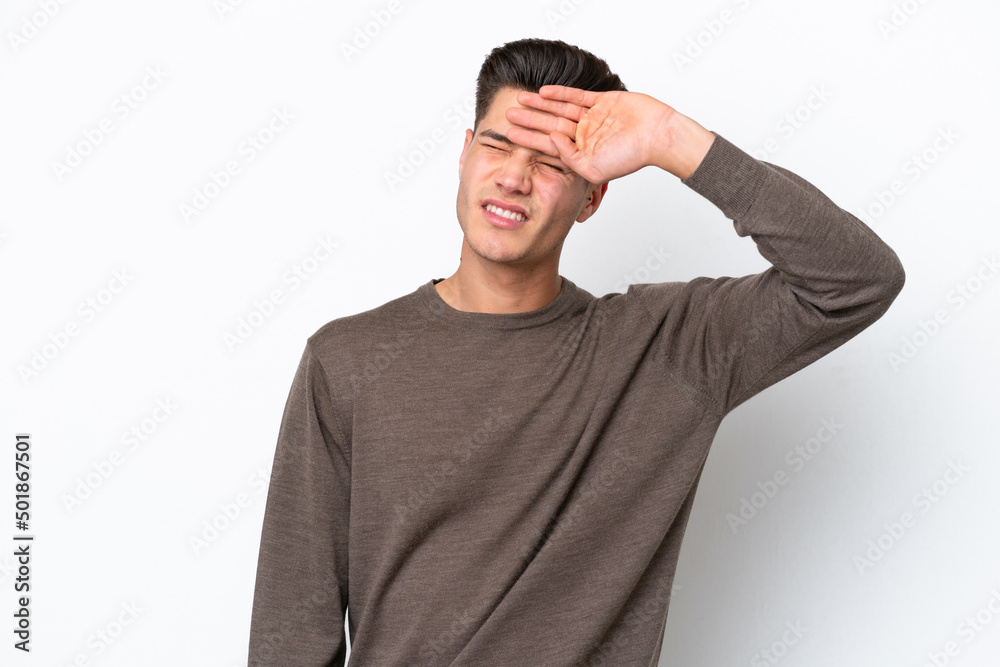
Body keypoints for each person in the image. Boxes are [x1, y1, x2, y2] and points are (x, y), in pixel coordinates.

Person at [247, 38, 905, 666]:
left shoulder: (668, 351)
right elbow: (291, 634)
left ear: (593, 195)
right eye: (497, 145)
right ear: (465, 154)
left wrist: (672, 138)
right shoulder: (347, 360)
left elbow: (857, 279)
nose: (513, 178)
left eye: (552, 163)